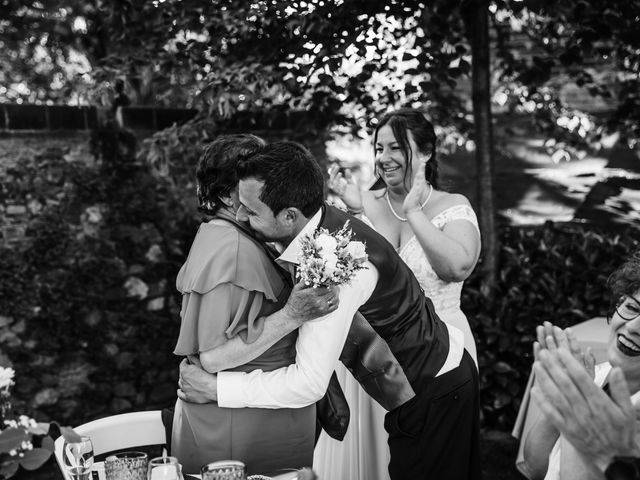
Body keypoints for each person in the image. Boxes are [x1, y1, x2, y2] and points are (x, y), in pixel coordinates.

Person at [178, 140, 481, 480]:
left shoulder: (334, 269)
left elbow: (308, 384)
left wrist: (217, 389)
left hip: (437, 390)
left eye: (250, 211)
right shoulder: (312, 226)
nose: (239, 216)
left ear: (290, 215)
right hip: (428, 380)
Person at [322, 108, 481, 480]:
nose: (383, 157)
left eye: (396, 147)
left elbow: (455, 267)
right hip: (373, 353)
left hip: (441, 350)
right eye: (379, 147)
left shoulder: (452, 207)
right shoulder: (360, 204)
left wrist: (415, 212)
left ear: (425, 153)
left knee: (435, 460)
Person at [171, 134, 339, 476]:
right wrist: (293, 314)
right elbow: (211, 355)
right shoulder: (232, 249)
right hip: (242, 426)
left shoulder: (232, 236)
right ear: (227, 194)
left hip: (256, 412)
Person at [522, 251, 640, 480]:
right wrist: (566, 398)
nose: (634, 327)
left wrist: (577, 409)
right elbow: (535, 467)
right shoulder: (596, 374)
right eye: (632, 308)